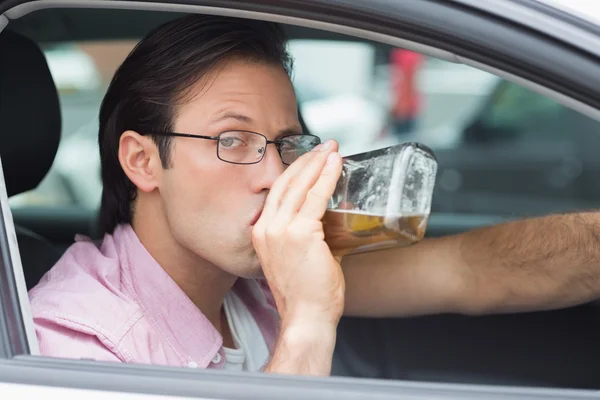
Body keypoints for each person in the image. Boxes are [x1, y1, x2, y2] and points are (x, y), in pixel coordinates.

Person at [28, 14, 600, 377]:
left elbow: (471, 270)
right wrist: (306, 319)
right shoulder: (76, 350)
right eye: (234, 139)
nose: (275, 174)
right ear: (142, 160)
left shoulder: (256, 266)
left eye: (284, 143)